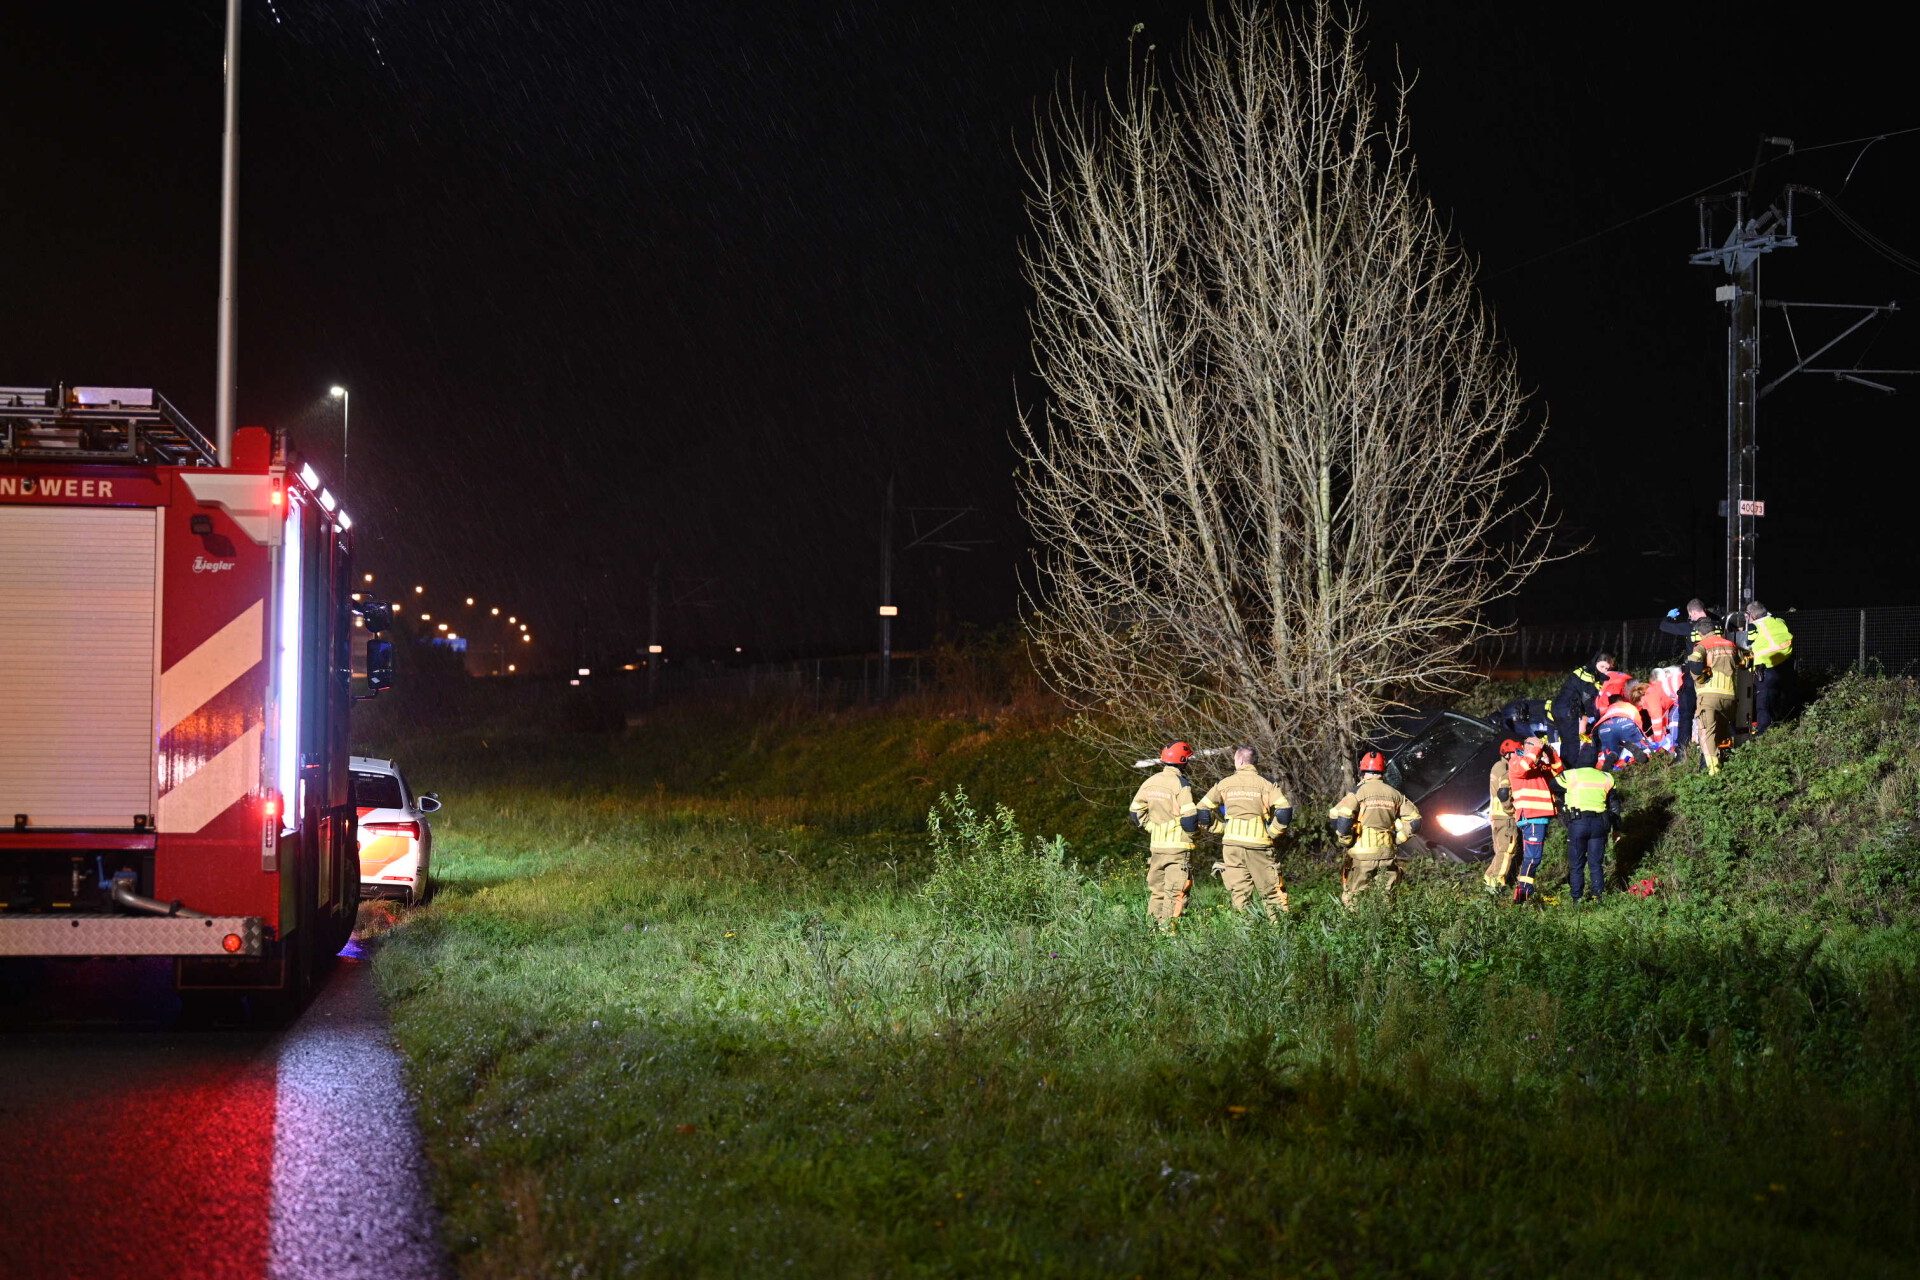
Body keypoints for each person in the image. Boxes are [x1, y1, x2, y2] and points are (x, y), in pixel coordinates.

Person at [1199, 743, 1293, 917]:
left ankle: (1245, 931)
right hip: (1259, 845)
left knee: (1239, 893)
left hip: (1232, 846)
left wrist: (1220, 828)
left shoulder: (1224, 784)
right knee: (1272, 892)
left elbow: (1202, 811)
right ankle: (1279, 930)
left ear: (1240, 760)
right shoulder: (1267, 784)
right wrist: (1271, 833)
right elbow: (1285, 812)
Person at [1328, 751, 1420, 908]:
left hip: (1362, 856)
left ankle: (1355, 929)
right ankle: (1385, 928)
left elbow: (1341, 817)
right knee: (1386, 898)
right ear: (1383, 770)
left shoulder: (1357, 792)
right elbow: (1415, 820)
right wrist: (1397, 839)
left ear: (1362, 770)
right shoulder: (1394, 794)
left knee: (1354, 898)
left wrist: (1346, 840)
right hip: (1387, 854)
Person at [1128, 742, 1206, 927]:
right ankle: (1169, 937)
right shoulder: (1181, 785)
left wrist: (1152, 828)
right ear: (1184, 761)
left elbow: (1135, 811)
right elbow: (1189, 820)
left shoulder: (1150, 782)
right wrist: (1195, 835)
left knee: (1158, 892)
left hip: (1157, 847)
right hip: (1178, 848)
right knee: (1176, 893)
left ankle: (1152, 931)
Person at [1560, 744, 1622, 902]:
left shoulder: (1570, 775)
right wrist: (1617, 829)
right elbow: (1614, 806)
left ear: (1580, 757)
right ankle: (1598, 898)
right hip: (1599, 825)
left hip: (1578, 823)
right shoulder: (1607, 777)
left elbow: (1552, 786)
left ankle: (1577, 899)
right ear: (1595, 759)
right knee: (1596, 864)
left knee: (1576, 865)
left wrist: (1562, 809)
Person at [1508, 734, 1562, 902]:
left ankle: (1523, 892)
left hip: (1539, 817)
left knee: (1533, 857)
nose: (1539, 747)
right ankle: (1522, 893)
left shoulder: (1537, 766)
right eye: (1535, 745)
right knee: (1533, 857)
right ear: (1527, 747)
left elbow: (1558, 771)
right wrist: (1537, 748)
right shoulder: (1517, 761)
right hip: (1531, 816)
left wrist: (1550, 752)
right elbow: (1523, 768)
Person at [1687, 620, 1740, 775]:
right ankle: (1730, 763)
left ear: (1699, 633)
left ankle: (1713, 772)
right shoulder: (1730, 644)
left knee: (1706, 732)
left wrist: (1699, 678)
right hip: (1730, 697)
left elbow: (1694, 661)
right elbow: (1745, 660)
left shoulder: (1702, 646)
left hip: (1709, 697)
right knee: (1723, 731)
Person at [1659, 600, 1711, 756]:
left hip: (1693, 674)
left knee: (1686, 711)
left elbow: (1664, 626)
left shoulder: (1690, 627)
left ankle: (1683, 750)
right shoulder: (1717, 625)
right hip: (1714, 673)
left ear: (1692, 613)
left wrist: (1669, 617)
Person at [1743, 600, 1796, 733]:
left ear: (1751, 616)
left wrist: (1743, 628)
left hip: (1766, 667)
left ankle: (1763, 733)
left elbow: (1745, 642)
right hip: (1786, 664)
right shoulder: (1779, 621)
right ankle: (1786, 727)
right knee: (1782, 699)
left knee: (1764, 703)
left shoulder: (1753, 627)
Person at [1552, 653, 1614, 756]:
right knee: (1574, 740)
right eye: (1602, 667)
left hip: (1564, 707)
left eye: (1607, 668)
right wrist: (1589, 717)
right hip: (1568, 710)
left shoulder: (1587, 672)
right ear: (1595, 663)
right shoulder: (1588, 677)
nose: (1604, 670)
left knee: (1569, 740)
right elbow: (1587, 700)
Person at [1484, 739, 1522, 892]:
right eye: (1517, 752)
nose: (1519, 756)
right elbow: (1504, 792)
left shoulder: (1497, 766)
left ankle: (1489, 879)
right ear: (1508, 754)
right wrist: (1511, 811)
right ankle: (1496, 884)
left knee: (1501, 850)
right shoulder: (1506, 768)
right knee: (1507, 849)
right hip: (1505, 817)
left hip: (1497, 817)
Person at [1594, 689, 1658, 766]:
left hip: (1604, 726)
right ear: (1623, 701)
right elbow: (1638, 725)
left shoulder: (1607, 710)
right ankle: (1638, 749)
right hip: (1625, 722)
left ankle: (1612, 756)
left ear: (1610, 704)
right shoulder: (1629, 706)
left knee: (1611, 749)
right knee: (1641, 744)